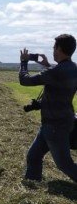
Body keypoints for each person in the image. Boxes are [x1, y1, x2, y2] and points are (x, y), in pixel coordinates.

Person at [19, 34, 77, 183]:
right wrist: (47, 65)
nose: (53, 50)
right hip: (60, 121)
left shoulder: (55, 72)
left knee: (65, 164)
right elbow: (59, 77)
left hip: (55, 125)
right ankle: (32, 183)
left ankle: (32, 181)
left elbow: (25, 81)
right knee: (33, 156)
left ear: (59, 49)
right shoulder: (72, 68)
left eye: (54, 47)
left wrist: (24, 63)